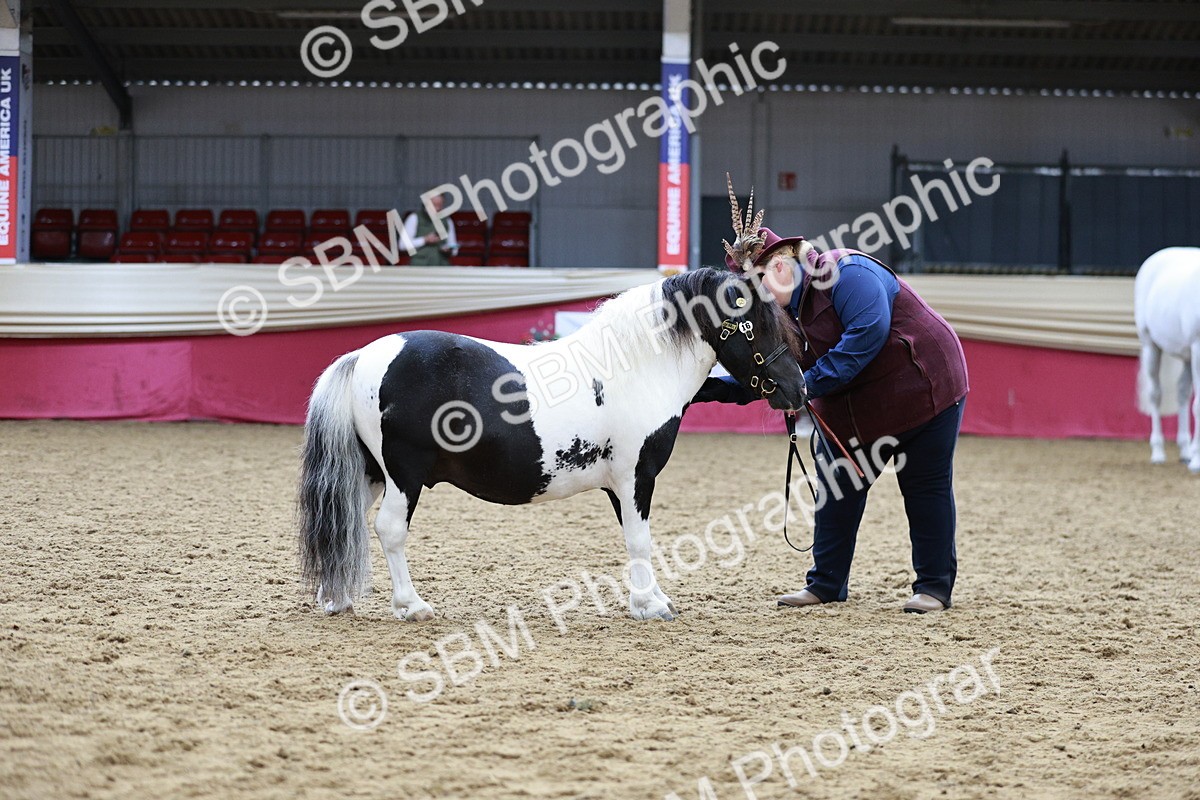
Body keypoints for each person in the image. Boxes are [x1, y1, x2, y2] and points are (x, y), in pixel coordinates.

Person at [693, 213, 968, 614]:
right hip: (855, 410)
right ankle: (826, 584)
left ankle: (933, 588)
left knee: (925, 488)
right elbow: (769, 374)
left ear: (782, 267)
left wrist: (804, 388)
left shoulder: (845, 271)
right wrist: (705, 389)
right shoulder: (777, 316)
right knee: (836, 489)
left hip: (926, 392)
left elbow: (868, 333)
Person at [404, 194, 458, 266]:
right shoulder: (414, 218)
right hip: (419, 266)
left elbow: (454, 247)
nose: (437, 208)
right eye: (434, 205)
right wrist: (425, 240)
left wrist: (449, 249)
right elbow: (403, 245)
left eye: (439, 205)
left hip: (441, 266)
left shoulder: (447, 221)